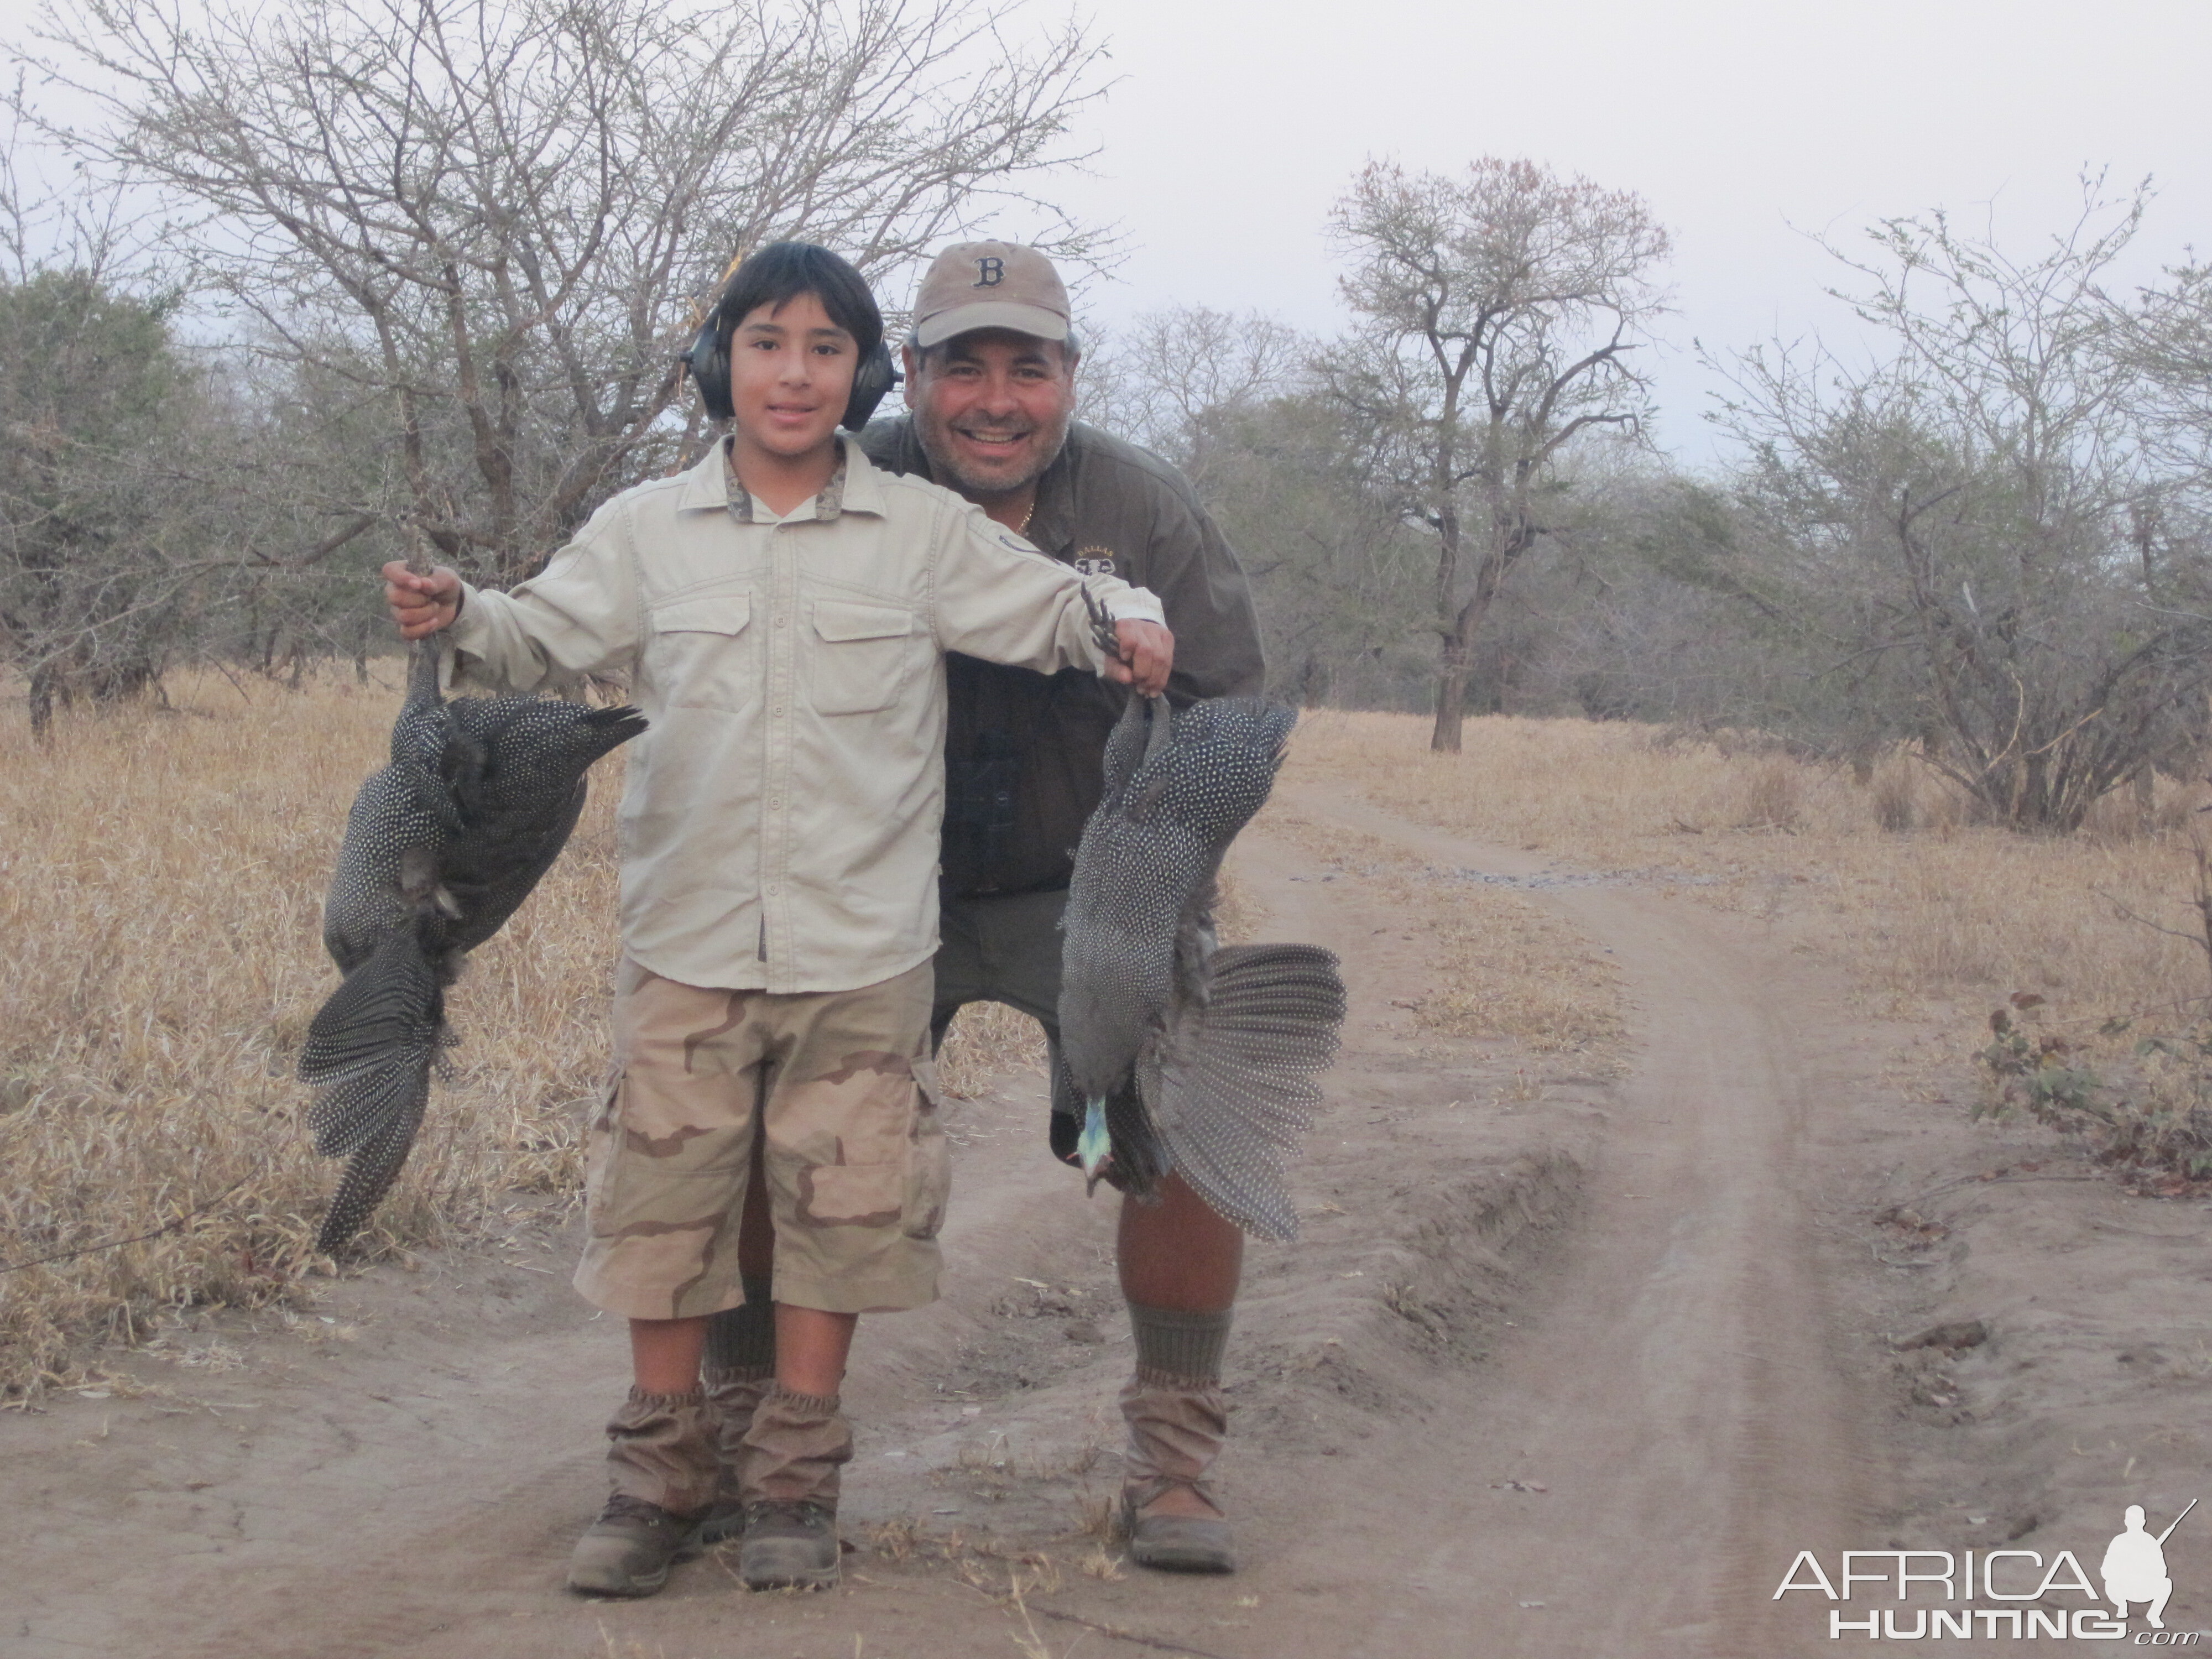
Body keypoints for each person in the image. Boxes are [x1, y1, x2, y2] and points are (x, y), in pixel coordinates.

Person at [380, 241, 1173, 1599]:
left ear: (865, 372)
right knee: (661, 1211)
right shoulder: (645, 527)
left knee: (842, 1214)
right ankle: (655, 1476)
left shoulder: (920, 532)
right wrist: (457, 610)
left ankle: (796, 1480)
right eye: (765, 343)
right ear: (719, 365)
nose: (793, 373)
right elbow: (534, 636)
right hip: (685, 940)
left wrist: (1126, 619)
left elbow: (1057, 603)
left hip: (863, 951)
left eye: (823, 348)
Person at [704, 240, 1267, 1574]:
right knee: (751, 1121)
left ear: (1071, 378)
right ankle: (749, 1438)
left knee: (1181, 1127)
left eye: (1030, 366)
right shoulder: (842, 474)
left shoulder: (1145, 505)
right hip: (867, 883)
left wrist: (1145, 895)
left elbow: (1231, 715)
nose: (997, 398)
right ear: (912, 375)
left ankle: (1174, 1456)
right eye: (966, 366)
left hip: (1089, 884)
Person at [2102, 1505, 2174, 1629]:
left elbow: (2105, 1571)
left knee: (2166, 1583)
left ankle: (2150, 1615)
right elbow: (2163, 1572)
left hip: (2137, 1590)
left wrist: (2144, 1568)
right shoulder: (2124, 1541)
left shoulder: (2146, 1542)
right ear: (2144, 1522)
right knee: (2166, 1583)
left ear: (2126, 1522)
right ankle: (2123, 1606)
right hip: (2128, 1589)